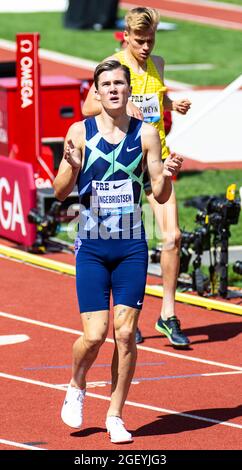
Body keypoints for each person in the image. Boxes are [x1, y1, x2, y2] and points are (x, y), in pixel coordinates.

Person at [53, 60, 183, 443]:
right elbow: (61, 192)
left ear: (128, 91)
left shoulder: (146, 135)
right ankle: (77, 384)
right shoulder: (79, 132)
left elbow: (157, 191)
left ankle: (115, 415)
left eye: (119, 84)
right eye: (105, 84)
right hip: (92, 247)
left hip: (130, 247)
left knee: (125, 334)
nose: (113, 89)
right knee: (94, 335)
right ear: (95, 91)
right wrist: (72, 169)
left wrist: (167, 174)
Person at [82, 7, 191, 348]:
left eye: (150, 40)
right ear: (126, 37)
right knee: (119, 246)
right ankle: (127, 316)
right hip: (124, 168)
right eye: (140, 41)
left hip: (155, 162)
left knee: (172, 237)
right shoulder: (113, 67)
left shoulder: (157, 64)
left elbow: (156, 99)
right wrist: (120, 107)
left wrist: (173, 105)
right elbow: (87, 107)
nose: (145, 47)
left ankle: (168, 314)